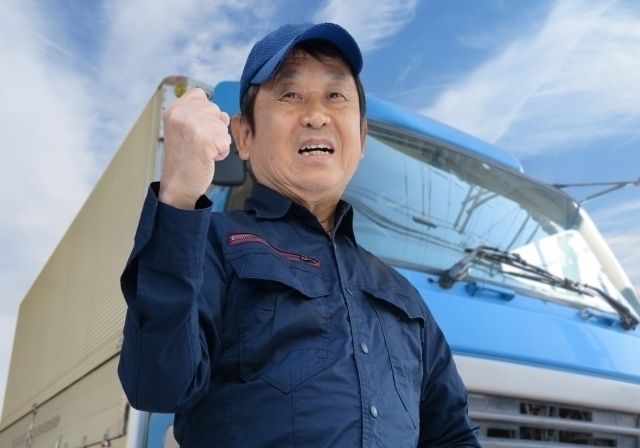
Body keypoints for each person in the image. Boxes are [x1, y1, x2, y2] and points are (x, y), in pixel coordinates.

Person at [118, 22, 480, 447]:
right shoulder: (212, 244)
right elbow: (156, 384)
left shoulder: (402, 295)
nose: (316, 115)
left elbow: (452, 435)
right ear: (245, 135)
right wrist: (178, 196)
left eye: (336, 95)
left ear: (361, 137)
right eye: (290, 94)